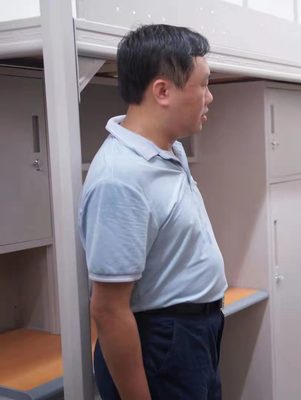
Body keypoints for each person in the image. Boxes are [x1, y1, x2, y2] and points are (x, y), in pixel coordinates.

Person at [78, 24, 227, 400]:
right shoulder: (120, 178)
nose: (210, 97)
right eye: (203, 85)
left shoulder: (167, 148)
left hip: (195, 332)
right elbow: (108, 310)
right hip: (163, 340)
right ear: (163, 91)